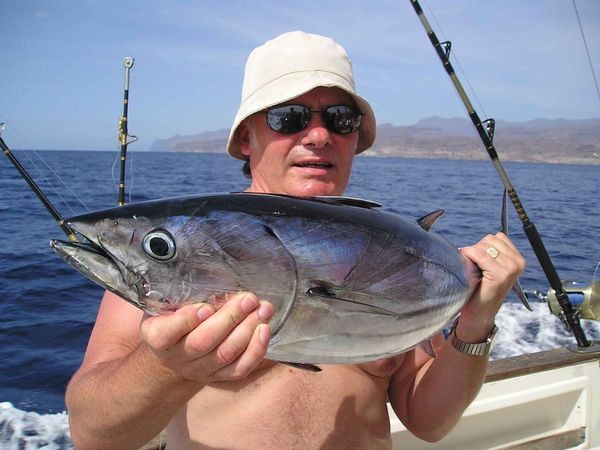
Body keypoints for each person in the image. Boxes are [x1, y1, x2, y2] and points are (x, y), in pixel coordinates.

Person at [65, 31, 525, 450]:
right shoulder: (181, 250)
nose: (319, 135)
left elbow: (429, 420)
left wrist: (475, 324)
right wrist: (167, 368)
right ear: (247, 137)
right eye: (289, 117)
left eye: (341, 118)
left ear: (355, 138)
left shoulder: (389, 250)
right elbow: (93, 435)